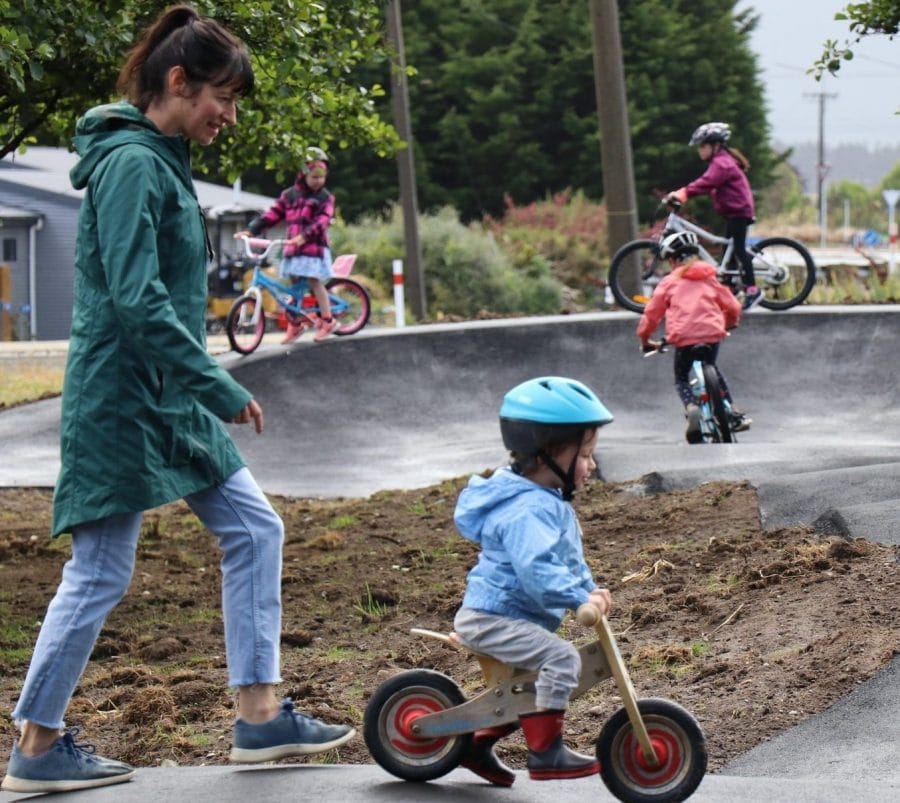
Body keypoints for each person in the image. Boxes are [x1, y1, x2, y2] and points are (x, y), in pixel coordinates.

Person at [0, 5, 353, 794]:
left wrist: (195, 385)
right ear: (177, 81)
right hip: (124, 397)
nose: (228, 114)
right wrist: (214, 382)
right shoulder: (130, 164)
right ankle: (36, 740)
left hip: (167, 395)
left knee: (256, 529)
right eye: (221, 96)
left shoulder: (159, 158)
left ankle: (260, 715)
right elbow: (134, 295)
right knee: (99, 569)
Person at [451, 376, 614, 786]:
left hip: (505, 616)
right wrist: (577, 599)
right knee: (562, 660)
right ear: (547, 455)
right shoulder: (527, 511)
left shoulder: (548, 503)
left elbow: (568, 561)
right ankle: (545, 754)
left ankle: (474, 745)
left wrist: (588, 591)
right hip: (490, 618)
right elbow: (538, 570)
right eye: (586, 454)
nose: (592, 465)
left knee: (522, 689)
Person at [637, 230, 751, 443]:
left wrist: (645, 340)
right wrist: (728, 324)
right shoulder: (710, 278)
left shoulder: (669, 283)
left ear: (672, 260)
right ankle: (730, 411)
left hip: (683, 339)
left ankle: (691, 408)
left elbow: (651, 315)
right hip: (712, 335)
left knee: (681, 378)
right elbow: (733, 306)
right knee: (713, 368)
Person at [236, 147, 337, 344]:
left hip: (313, 248)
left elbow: (322, 221)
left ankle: (327, 319)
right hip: (293, 246)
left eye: (321, 177)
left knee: (313, 281)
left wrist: (305, 236)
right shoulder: (290, 195)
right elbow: (272, 214)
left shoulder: (325, 198)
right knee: (294, 285)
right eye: (314, 177)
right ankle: (295, 324)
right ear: (303, 174)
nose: (318, 181)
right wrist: (252, 230)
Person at [665, 121, 762, 310]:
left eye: (702, 146)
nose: (699, 150)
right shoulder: (720, 161)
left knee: (739, 250)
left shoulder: (722, 164)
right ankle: (731, 288)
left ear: (715, 146)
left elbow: (706, 182)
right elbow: (709, 185)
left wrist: (683, 192)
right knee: (728, 253)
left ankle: (752, 289)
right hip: (734, 211)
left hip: (739, 211)